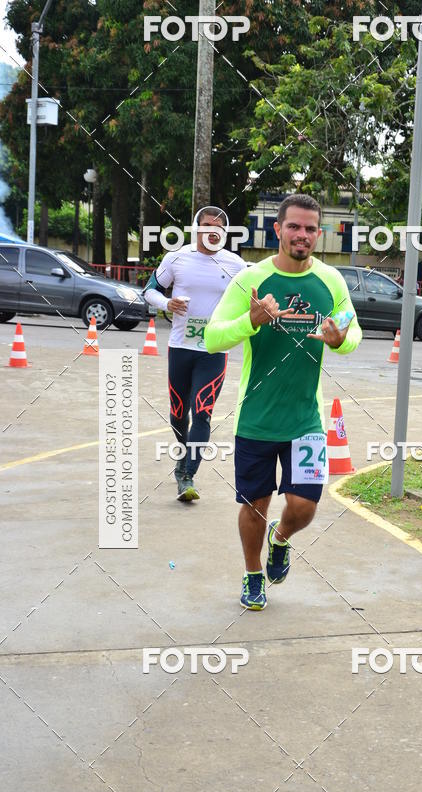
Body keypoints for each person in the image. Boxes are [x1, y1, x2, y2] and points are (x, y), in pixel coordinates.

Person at [204, 194, 362, 611]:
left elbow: (352, 329)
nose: (303, 235)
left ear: (318, 234)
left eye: (311, 228)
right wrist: (250, 322)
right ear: (277, 229)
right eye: (294, 226)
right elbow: (212, 337)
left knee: (304, 505)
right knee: (254, 506)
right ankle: (252, 575)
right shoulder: (250, 280)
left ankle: (282, 539)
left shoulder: (331, 281)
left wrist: (341, 338)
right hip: (256, 418)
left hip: (305, 419)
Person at [143, 207, 246, 501]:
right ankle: (183, 453)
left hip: (214, 349)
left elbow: (253, 294)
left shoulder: (236, 264)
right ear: (195, 228)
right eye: (205, 226)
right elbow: (150, 290)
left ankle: (187, 475)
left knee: (202, 412)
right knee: (178, 414)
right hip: (180, 347)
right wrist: (167, 303)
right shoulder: (177, 258)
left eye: (218, 227)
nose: (211, 231)